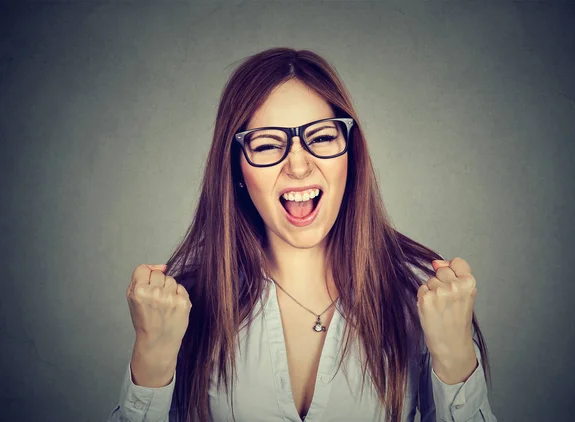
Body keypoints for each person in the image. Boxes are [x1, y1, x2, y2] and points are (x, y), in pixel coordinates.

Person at [108, 47, 497, 422]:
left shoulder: (421, 297)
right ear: (236, 170)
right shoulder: (187, 306)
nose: (298, 164)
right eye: (266, 144)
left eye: (323, 137)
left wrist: (456, 358)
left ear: (351, 153)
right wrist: (152, 360)